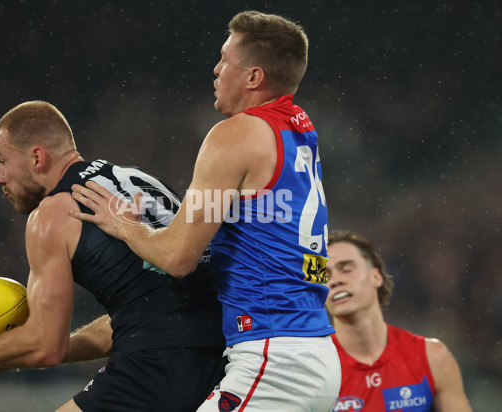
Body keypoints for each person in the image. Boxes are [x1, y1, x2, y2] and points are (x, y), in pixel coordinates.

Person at [70, 10, 340, 411]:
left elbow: (178, 258)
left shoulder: (235, 134)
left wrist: (125, 225)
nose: (216, 69)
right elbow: (248, 216)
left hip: (273, 358)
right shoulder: (299, 129)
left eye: (226, 59)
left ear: (253, 77)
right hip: (315, 352)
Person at [0, 100, 226, 412]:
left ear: (37, 157)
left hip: (155, 367)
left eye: (2, 160)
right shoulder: (136, 179)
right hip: (219, 361)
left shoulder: (51, 215)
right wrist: (10, 353)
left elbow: (45, 347)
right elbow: (146, 310)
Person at [325, 230, 472, 411]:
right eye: (325, 276)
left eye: (347, 269)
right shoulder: (315, 369)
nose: (335, 281)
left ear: (376, 277)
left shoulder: (432, 358)